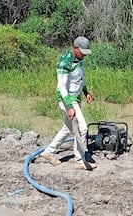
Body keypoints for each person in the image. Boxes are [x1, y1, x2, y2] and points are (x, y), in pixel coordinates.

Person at [39, 36, 96, 170]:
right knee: (82, 128)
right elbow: (62, 87)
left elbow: (79, 79)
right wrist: (69, 107)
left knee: (68, 128)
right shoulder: (65, 62)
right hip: (67, 99)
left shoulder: (79, 59)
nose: (84, 55)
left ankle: (48, 152)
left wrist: (86, 92)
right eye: (82, 52)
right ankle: (79, 159)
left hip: (75, 98)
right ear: (75, 48)